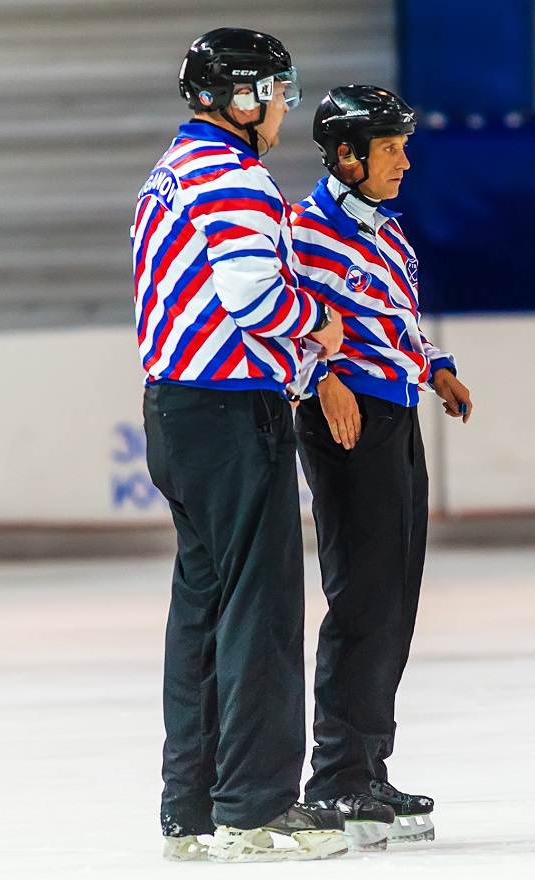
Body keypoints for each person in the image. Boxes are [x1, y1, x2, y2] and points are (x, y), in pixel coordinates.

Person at [132, 28, 348, 863]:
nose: (287, 109)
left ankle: (190, 809)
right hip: (228, 412)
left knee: (202, 610)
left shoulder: (171, 169)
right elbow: (256, 298)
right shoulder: (233, 178)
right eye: (279, 93)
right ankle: (253, 809)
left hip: (176, 410)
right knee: (259, 613)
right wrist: (320, 327)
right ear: (242, 97)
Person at [286, 84, 473, 850]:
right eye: (391, 149)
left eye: (404, 147)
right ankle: (335, 778)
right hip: (347, 417)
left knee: (393, 594)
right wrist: (320, 381)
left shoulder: (387, 231)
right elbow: (287, 317)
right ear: (346, 156)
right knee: (362, 594)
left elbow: (396, 318)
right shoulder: (303, 230)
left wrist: (434, 366)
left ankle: (366, 765)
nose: (405, 162)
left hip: (394, 409)